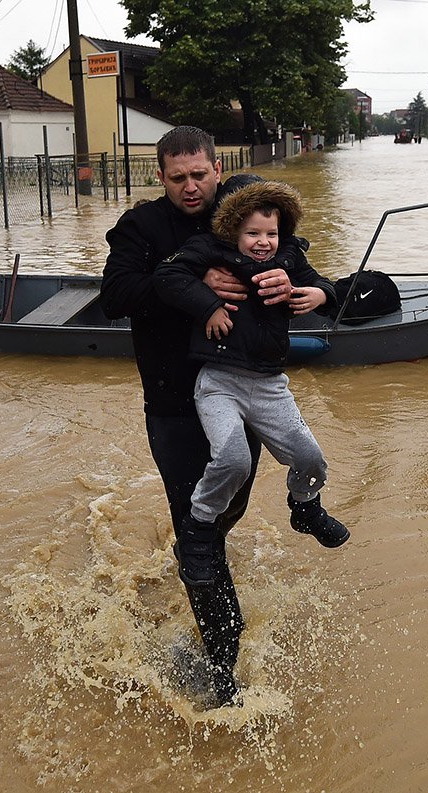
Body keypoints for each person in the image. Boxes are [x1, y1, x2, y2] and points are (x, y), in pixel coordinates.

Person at [100, 126, 298, 708]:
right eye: (177, 177)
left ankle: (201, 563)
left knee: (226, 508)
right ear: (160, 178)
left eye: (199, 174)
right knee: (198, 528)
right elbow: (115, 295)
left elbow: (291, 246)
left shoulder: (241, 214)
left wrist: (296, 281)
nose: (191, 186)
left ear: (217, 169)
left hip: (239, 396)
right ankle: (222, 668)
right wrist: (193, 286)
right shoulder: (143, 228)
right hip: (173, 402)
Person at [154, 180, 348, 592]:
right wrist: (207, 301)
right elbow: (167, 276)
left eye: (271, 233)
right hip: (219, 382)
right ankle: (199, 529)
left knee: (310, 457)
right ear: (231, 231)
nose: (263, 243)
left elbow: (328, 286)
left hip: (270, 385)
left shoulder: (290, 255)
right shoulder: (210, 250)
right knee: (233, 460)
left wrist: (316, 294)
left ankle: (305, 507)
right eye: (253, 233)